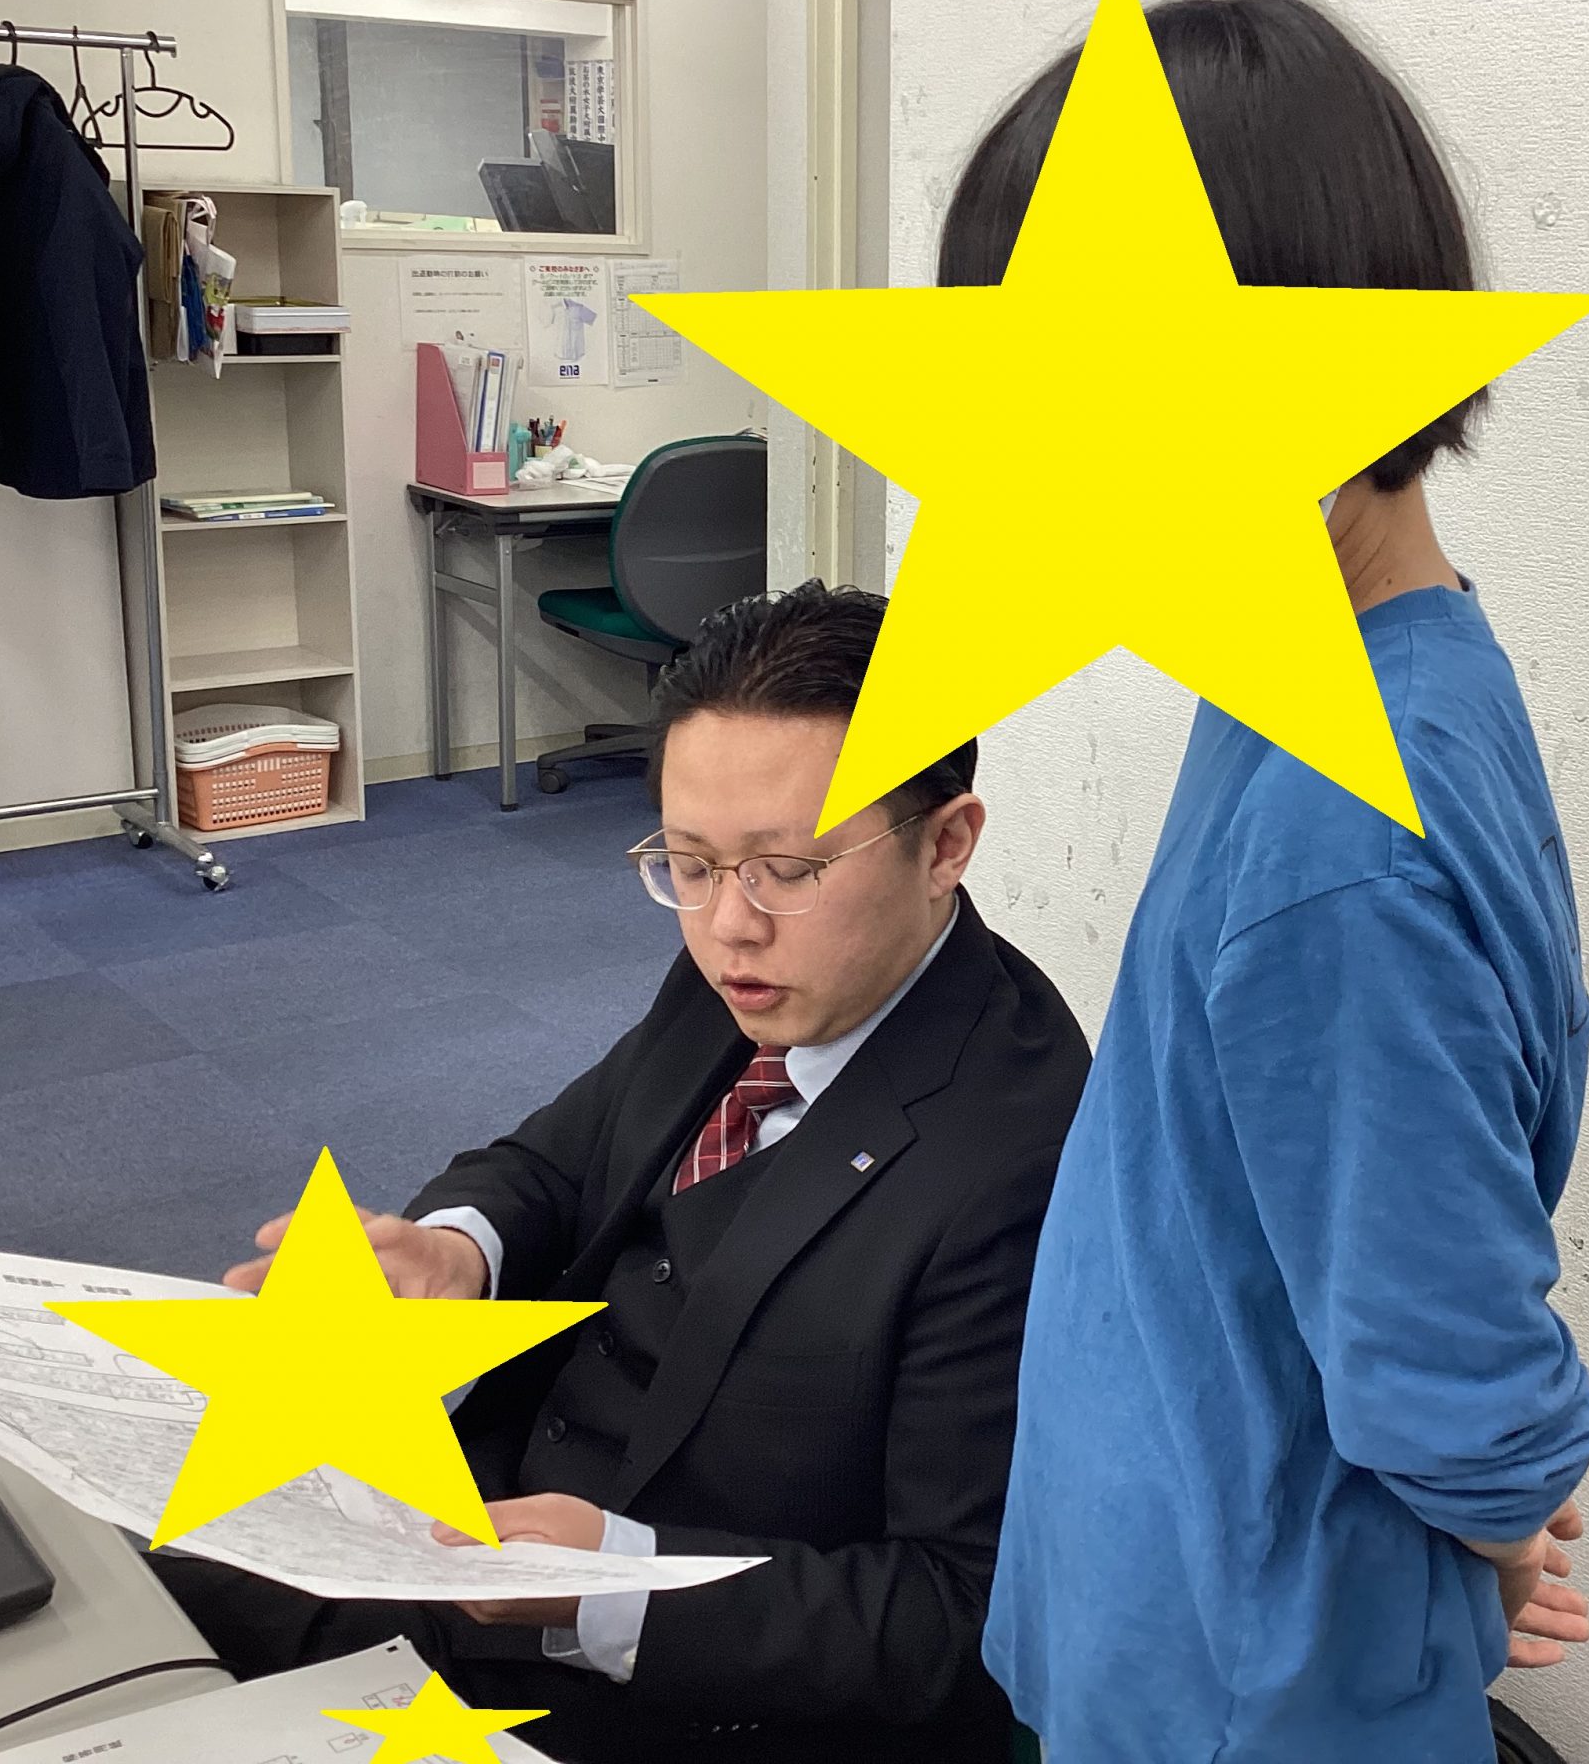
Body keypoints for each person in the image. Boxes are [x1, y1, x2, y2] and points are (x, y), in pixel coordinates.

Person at [966, 0, 1589, 1761]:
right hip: (1177, 1547)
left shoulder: (1348, 827)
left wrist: (1499, 1513)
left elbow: (1441, 1333)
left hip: (1241, 1670)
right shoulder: (1335, 664)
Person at [154, 583, 1092, 1764]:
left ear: (946, 844)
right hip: (473, 1524)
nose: (727, 925)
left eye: (788, 867)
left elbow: (958, 1619)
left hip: (691, 1677)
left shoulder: (1022, 1161)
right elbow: (561, 1157)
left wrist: (615, 1585)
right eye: (687, 862)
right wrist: (454, 1251)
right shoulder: (752, 972)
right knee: (119, 1611)